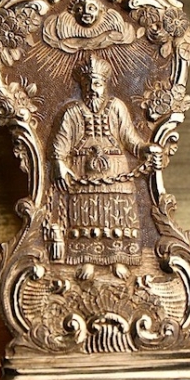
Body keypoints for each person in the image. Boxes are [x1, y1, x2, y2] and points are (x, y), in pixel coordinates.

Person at [51, 53, 160, 280]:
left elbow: (130, 140)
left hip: (116, 169)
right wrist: (59, 163)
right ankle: (87, 259)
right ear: (82, 86)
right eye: (88, 84)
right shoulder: (73, 112)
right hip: (83, 170)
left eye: (97, 83)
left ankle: (118, 259)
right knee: (85, 215)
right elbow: (61, 142)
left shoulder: (116, 107)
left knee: (118, 214)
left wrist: (145, 149)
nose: (93, 89)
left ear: (104, 84)